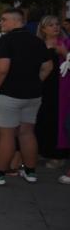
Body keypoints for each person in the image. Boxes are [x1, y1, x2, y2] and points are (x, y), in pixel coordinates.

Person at [0, 8, 52, 186]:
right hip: (33, 95)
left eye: (4, 20)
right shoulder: (37, 41)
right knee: (27, 133)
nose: (1, 23)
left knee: (7, 135)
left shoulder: (7, 40)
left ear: (16, 21)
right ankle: (30, 172)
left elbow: (2, 68)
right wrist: (35, 82)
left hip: (9, 95)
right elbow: (48, 66)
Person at [35, 16, 70, 168]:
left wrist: (64, 52)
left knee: (58, 120)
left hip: (61, 88)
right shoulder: (39, 45)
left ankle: (58, 156)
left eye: (57, 24)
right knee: (42, 118)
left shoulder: (65, 43)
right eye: (50, 25)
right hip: (43, 88)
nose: (55, 27)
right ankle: (44, 151)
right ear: (43, 29)